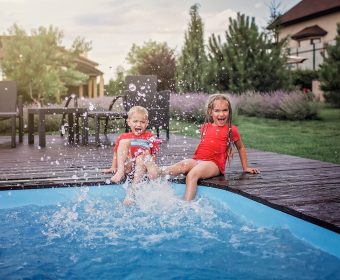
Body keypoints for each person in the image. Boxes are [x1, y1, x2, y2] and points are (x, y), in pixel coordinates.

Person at [161, 93, 260, 201]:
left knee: (192, 175)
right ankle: (155, 173)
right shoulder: (205, 127)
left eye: (225, 110)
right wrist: (195, 161)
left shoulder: (231, 130)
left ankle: (186, 205)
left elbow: (241, 147)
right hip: (198, 160)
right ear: (210, 112)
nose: (221, 114)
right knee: (182, 166)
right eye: (217, 110)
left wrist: (245, 167)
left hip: (214, 165)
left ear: (229, 111)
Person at [103, 106, 160, 204]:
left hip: (141, 166)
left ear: (147, 123)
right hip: (128, 165)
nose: (139, 124)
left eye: (142, 122)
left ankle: (131, 193)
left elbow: (154, 154)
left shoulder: (150, 137)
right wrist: (113, 167)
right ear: (129, 122)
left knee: (141, 157)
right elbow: (116, 152)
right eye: (135, 121)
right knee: (124, 142)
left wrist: (150, 161)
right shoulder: (123, 136)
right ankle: (120, 172)